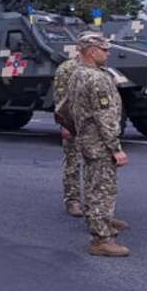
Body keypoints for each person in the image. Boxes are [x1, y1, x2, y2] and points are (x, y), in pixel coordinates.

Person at [66, 32, 131, 257]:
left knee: (93, 186)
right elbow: (105, 116)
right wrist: (116, 148)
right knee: (103, 190)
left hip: (87, 139)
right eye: (104, 50)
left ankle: (102, 223)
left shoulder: (77, 73)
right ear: (92, 52)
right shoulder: (96, 78)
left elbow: (67, 108)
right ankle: (101, 239)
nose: (108, 53)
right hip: (100, 143)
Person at [52, 57, 84, 217]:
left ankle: (96, 204)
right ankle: (72, 200)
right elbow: (61, 98)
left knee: (96, 165)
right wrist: (65, 124)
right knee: (73, 162)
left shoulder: (100, 67)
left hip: (94, 124)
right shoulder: (67, 68)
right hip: (74, 123)